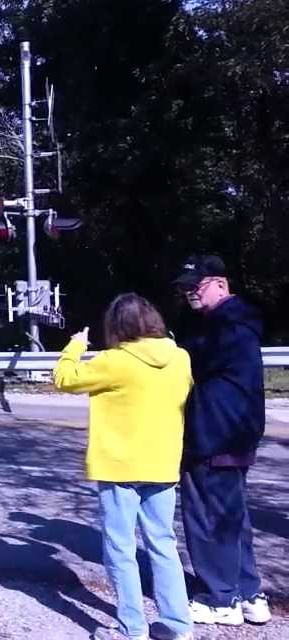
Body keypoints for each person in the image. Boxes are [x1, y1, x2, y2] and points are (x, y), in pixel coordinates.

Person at [53, 293, 194, 640]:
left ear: (116, 326)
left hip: (119, 468)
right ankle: (178, 626)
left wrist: (75, 346)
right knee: (163, 545)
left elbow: (64, 378)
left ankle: (133, 629)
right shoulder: (180, 358)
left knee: (121, 549)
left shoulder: (114, 361)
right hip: (163, 464)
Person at [172, 255, 270, 626]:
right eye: (185, 288)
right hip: (235, 431)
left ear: (220, 284)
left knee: (208, 518)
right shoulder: (239, 322)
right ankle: (248, 594)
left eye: (195, 286)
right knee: (232, 518)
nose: (189, 293)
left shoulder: (223, 326)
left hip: (215, 432)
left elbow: (189, 363)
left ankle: (218, 599)